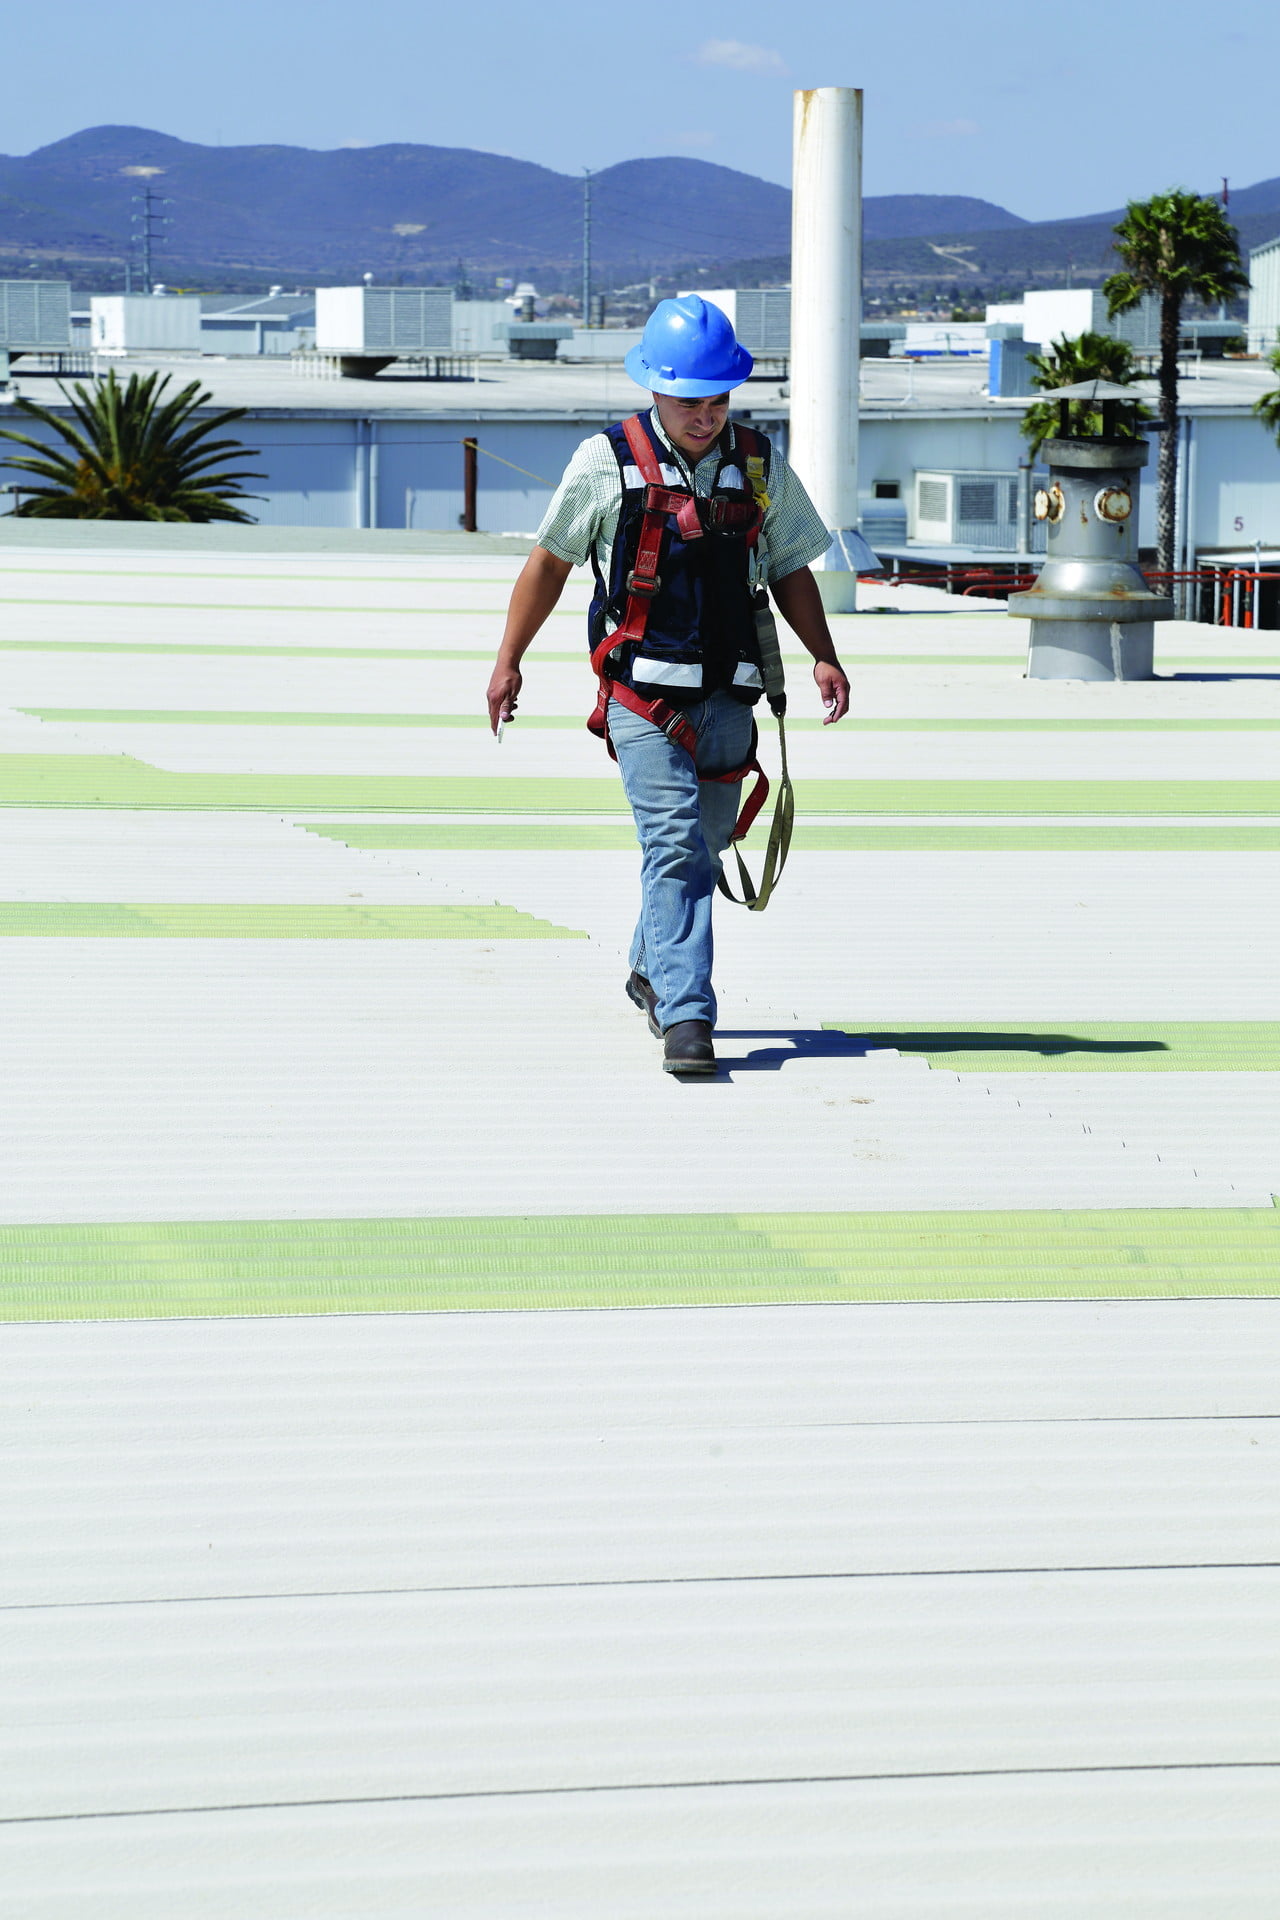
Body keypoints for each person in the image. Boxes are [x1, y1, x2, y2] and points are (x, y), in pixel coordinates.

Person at [486, 294, 850, 1076]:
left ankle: (649, 966)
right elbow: (548, 563)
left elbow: (791, 565)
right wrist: (509, 659)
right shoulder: (603, 462)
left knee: (704, 846)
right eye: (690, 402)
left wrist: (823, 654)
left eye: (719, 400)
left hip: (730, 695)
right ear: (654, 387)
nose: (706, 416)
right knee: (677, 845)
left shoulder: (759, 465)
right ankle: (687, 1015)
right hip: (641, 699)